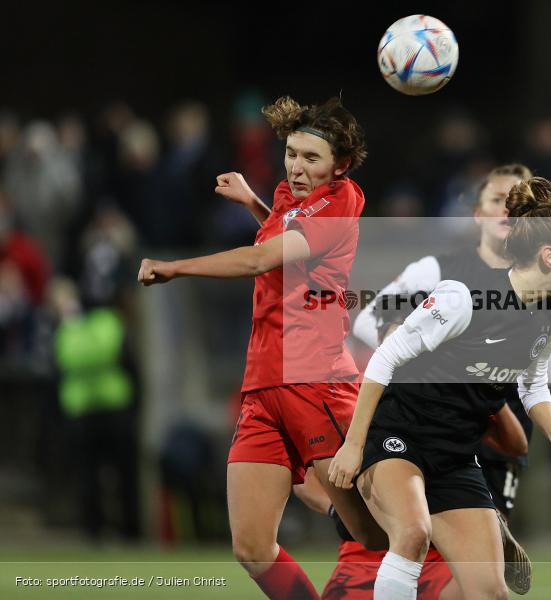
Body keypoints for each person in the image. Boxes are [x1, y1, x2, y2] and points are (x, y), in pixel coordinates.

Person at [138, 95, 386, 600]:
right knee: (252, 547)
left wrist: (176, 267)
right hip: (263, 387)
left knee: (378, 532)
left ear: (340, 165)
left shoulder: (343, 200)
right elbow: (281, 240)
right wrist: (257, 203)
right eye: (291, 153)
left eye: (310, 158)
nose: (296, 166)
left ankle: (458, 536)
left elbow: (261, 261)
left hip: (315, 379)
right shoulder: (286, 198)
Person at [328, 177, 551, 600]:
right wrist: (354, 446)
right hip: (398, 437)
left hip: (456, 456)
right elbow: (384, 358)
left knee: (491, 593)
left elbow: (534, 381)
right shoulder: (461, 297)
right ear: (549, 255)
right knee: (412, 535)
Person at [293, 404, 529, 600]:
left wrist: (496, 398)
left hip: (440, 552)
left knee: (489, 591)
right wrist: (339, 510)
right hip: (363, 555)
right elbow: (305, 476)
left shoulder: (469, 394)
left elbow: (516, 446)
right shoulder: (355, 389)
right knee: (412, 533)